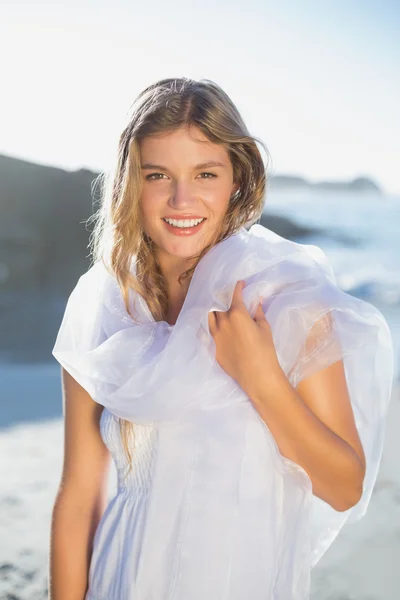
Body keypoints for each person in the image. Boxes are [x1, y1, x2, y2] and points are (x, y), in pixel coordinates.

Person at [49, 77, 394, 600]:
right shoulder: (102, 306)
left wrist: (262, 380)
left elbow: (343, 487)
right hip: (120, 577)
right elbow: (79, 496)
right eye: (158, 174)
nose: (181, 199)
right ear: (130, 183)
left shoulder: (287, 300)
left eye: (205, 174)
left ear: (237, 178)